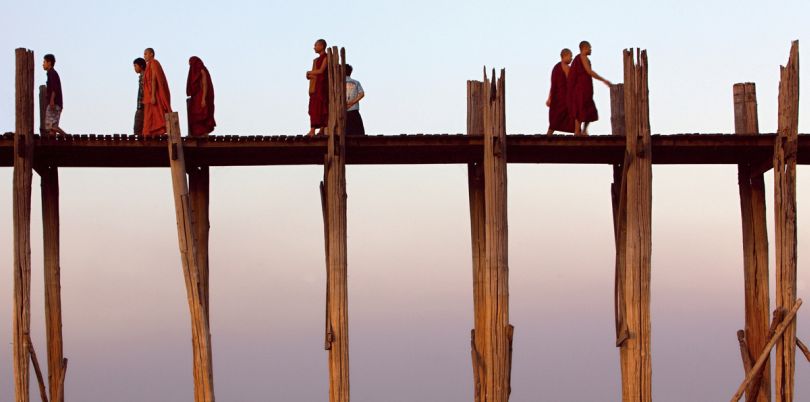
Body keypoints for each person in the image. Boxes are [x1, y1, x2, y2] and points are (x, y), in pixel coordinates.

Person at [568, 41, 612, 136]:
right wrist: (603, 80)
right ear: (584, 48)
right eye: (589, 48)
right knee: (580, 107)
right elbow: (589, 71)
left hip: (586, 86)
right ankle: (577, 131)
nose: (591, 50)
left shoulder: (583, 58)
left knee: (588, 108)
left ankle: (583, 130)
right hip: (581, 88)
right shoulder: (582, 57)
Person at [142, 48, 172, 136]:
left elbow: (154, 79)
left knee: (156, 115)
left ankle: (154, 133)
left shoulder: (154, 63)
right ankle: (150, 133)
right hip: (149, 95)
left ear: (151, 54)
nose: (144, 56)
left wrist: (153, 96)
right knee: (149, 116)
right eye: (144, 54)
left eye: (146, 54)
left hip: (154, 95)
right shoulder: (149, 65)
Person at [546, 48, 574, 135]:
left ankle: (578, 132)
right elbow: (553, 84)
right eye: (570, 56)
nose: (571, 58)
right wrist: (549, 98)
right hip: (558, 97)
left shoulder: (570, 68)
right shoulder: (556, 68)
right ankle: (549, 132)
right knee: (556, 116)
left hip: (569, 96)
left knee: (573, 114)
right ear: (564, 56)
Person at [186, 56, 216, 136]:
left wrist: (203, 99)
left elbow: (205, 84)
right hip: (196, 97)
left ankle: (203, 133)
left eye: (191, 62)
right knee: (193, 113)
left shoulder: (202, 70)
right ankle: (197, 133)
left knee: (202, 114)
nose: (190, 65)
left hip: (201, 96)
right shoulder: (195, 72)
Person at [306, 39, 329, 136]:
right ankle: (312, 130)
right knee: (313, 108)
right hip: (316, 87)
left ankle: (322, 129)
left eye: (316, 45)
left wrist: (309, 72)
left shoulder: (327, 57)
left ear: (322, 46)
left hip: (322, 86)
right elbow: (316, 74)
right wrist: (309, 76)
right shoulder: (316, 60)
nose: (314, 47)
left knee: (322, 107)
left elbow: (321, 71)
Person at [42, 54, 67, 135]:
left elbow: (54, 88)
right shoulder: (52, 73)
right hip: (58, 104)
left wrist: (52, 100)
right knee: (52, 129)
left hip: (54, 103)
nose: (43, 64)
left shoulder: (52, 73)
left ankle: (65, 135)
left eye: (44, 62)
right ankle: (53, 144)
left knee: (49, 126)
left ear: (49, 63)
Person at [345, 64, 365, 136]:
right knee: (358, 131)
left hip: (343, 111)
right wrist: (353, 102)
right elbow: (362, 94)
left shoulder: (338, 83)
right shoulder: (356, 82)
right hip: (354, 109)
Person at [133, 58, 146, 135]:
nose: (134, 68)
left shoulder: (144, 76)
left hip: (142, 106)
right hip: (141, 105)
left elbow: (144, 91)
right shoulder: (142, 76)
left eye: (135, 66)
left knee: (138, 129)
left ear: (141, 66)